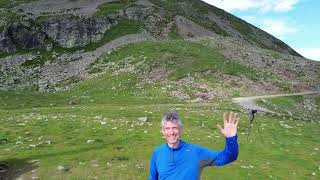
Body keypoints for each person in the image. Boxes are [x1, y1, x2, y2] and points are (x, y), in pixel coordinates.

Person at [149, 111, 239, 180]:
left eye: (174, 128)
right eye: (167, 128)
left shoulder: (196, 152)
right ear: (163, 131)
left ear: (181, 129)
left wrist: (231, 139)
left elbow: (228, 157)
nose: (171, 132)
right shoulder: (157, 153)